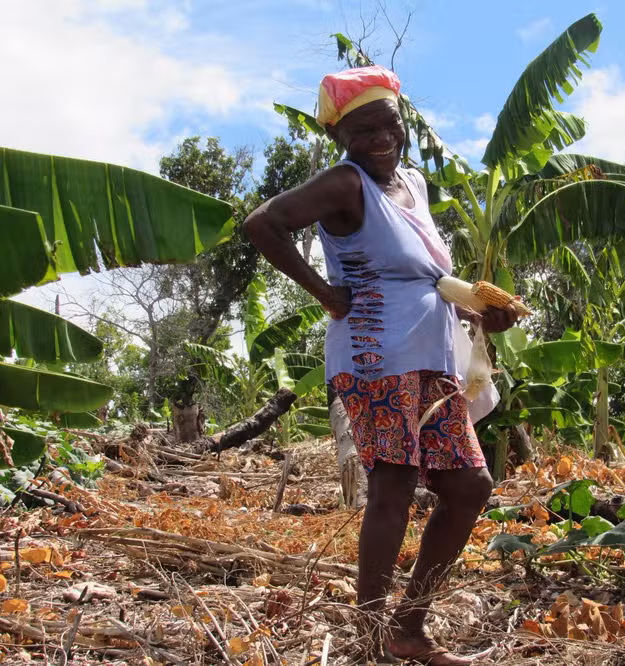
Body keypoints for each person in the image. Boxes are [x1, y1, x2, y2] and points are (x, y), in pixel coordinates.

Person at [244, 65, 518, 665]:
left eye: (388, 125)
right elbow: (263, 223)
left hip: (431, 358)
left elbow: (425, 275)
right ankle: (372, 642)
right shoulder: (346, 184)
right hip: (375, 357)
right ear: (341, 137)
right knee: (393, 485)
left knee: (469, 485)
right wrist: (324, 292)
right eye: (362, 129)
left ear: (402, 125)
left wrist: (482, 312)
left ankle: (407, 628)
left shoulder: (412, 184)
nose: (379, 139)